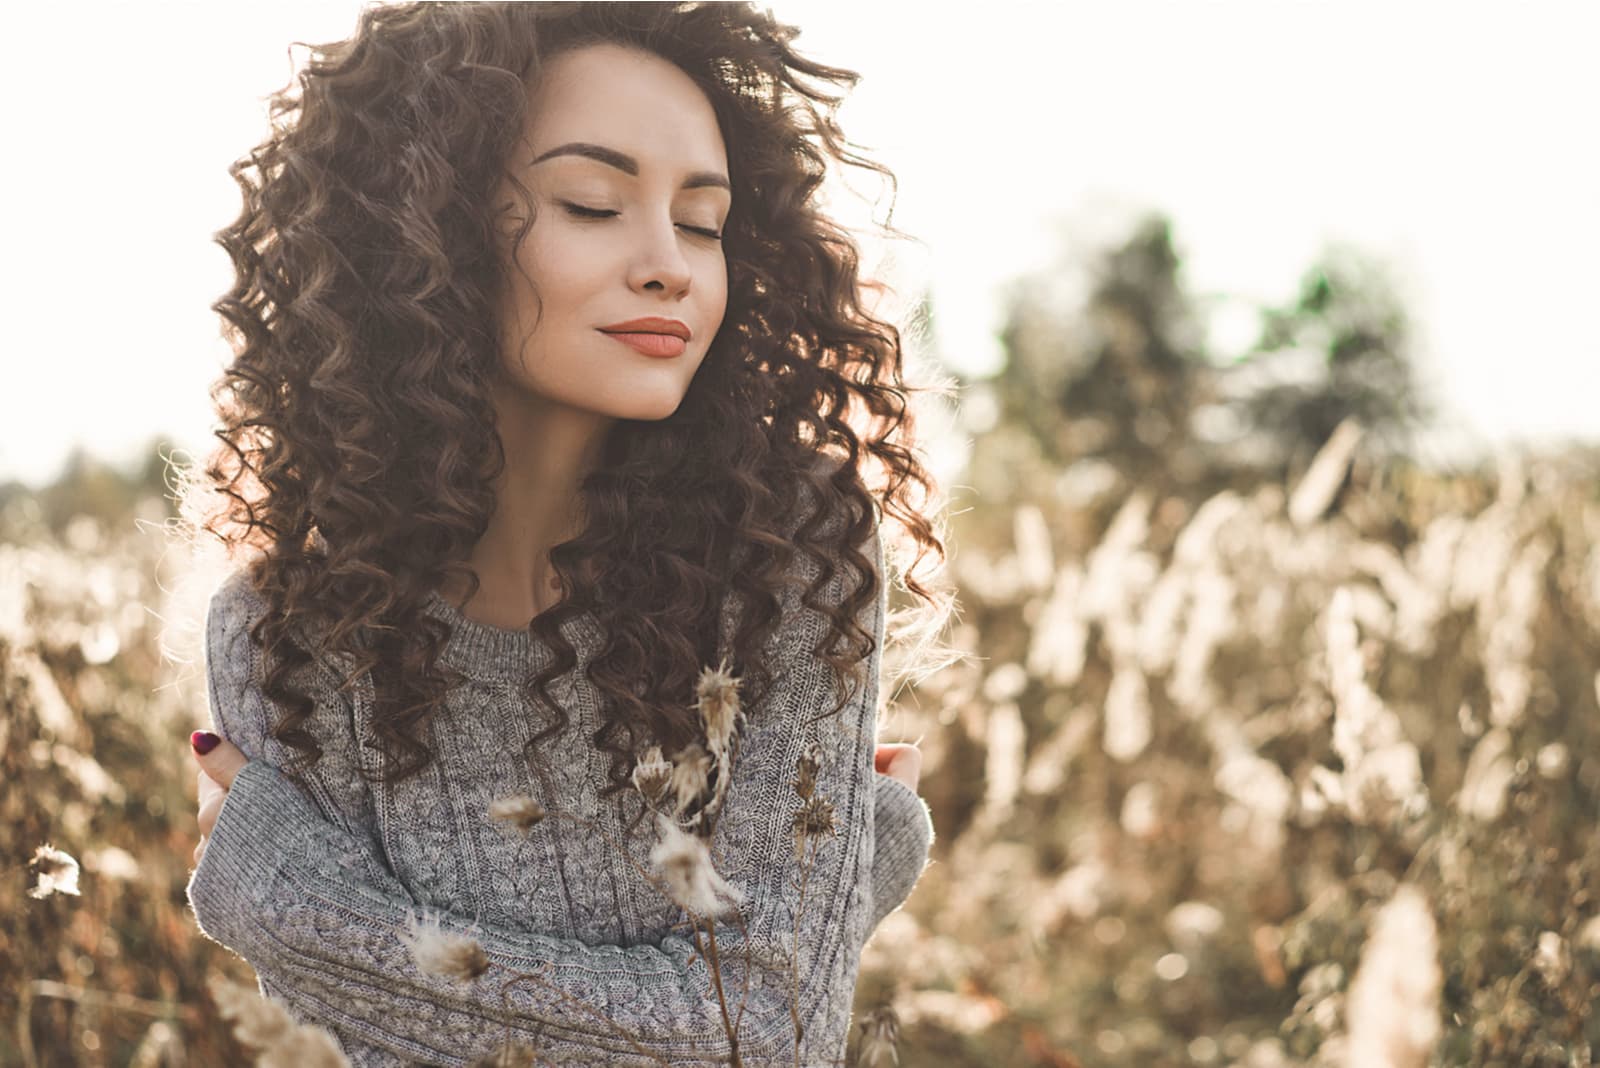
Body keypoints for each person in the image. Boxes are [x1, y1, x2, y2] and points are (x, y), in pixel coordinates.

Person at [180, 3, 951, 1065]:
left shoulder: (787, 560)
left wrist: (296, 910)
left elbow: (763, 1039)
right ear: (425, 231)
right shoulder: (290, 631)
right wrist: (836, 889)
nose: (668, 265)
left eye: (703, 221)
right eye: (592, 203)